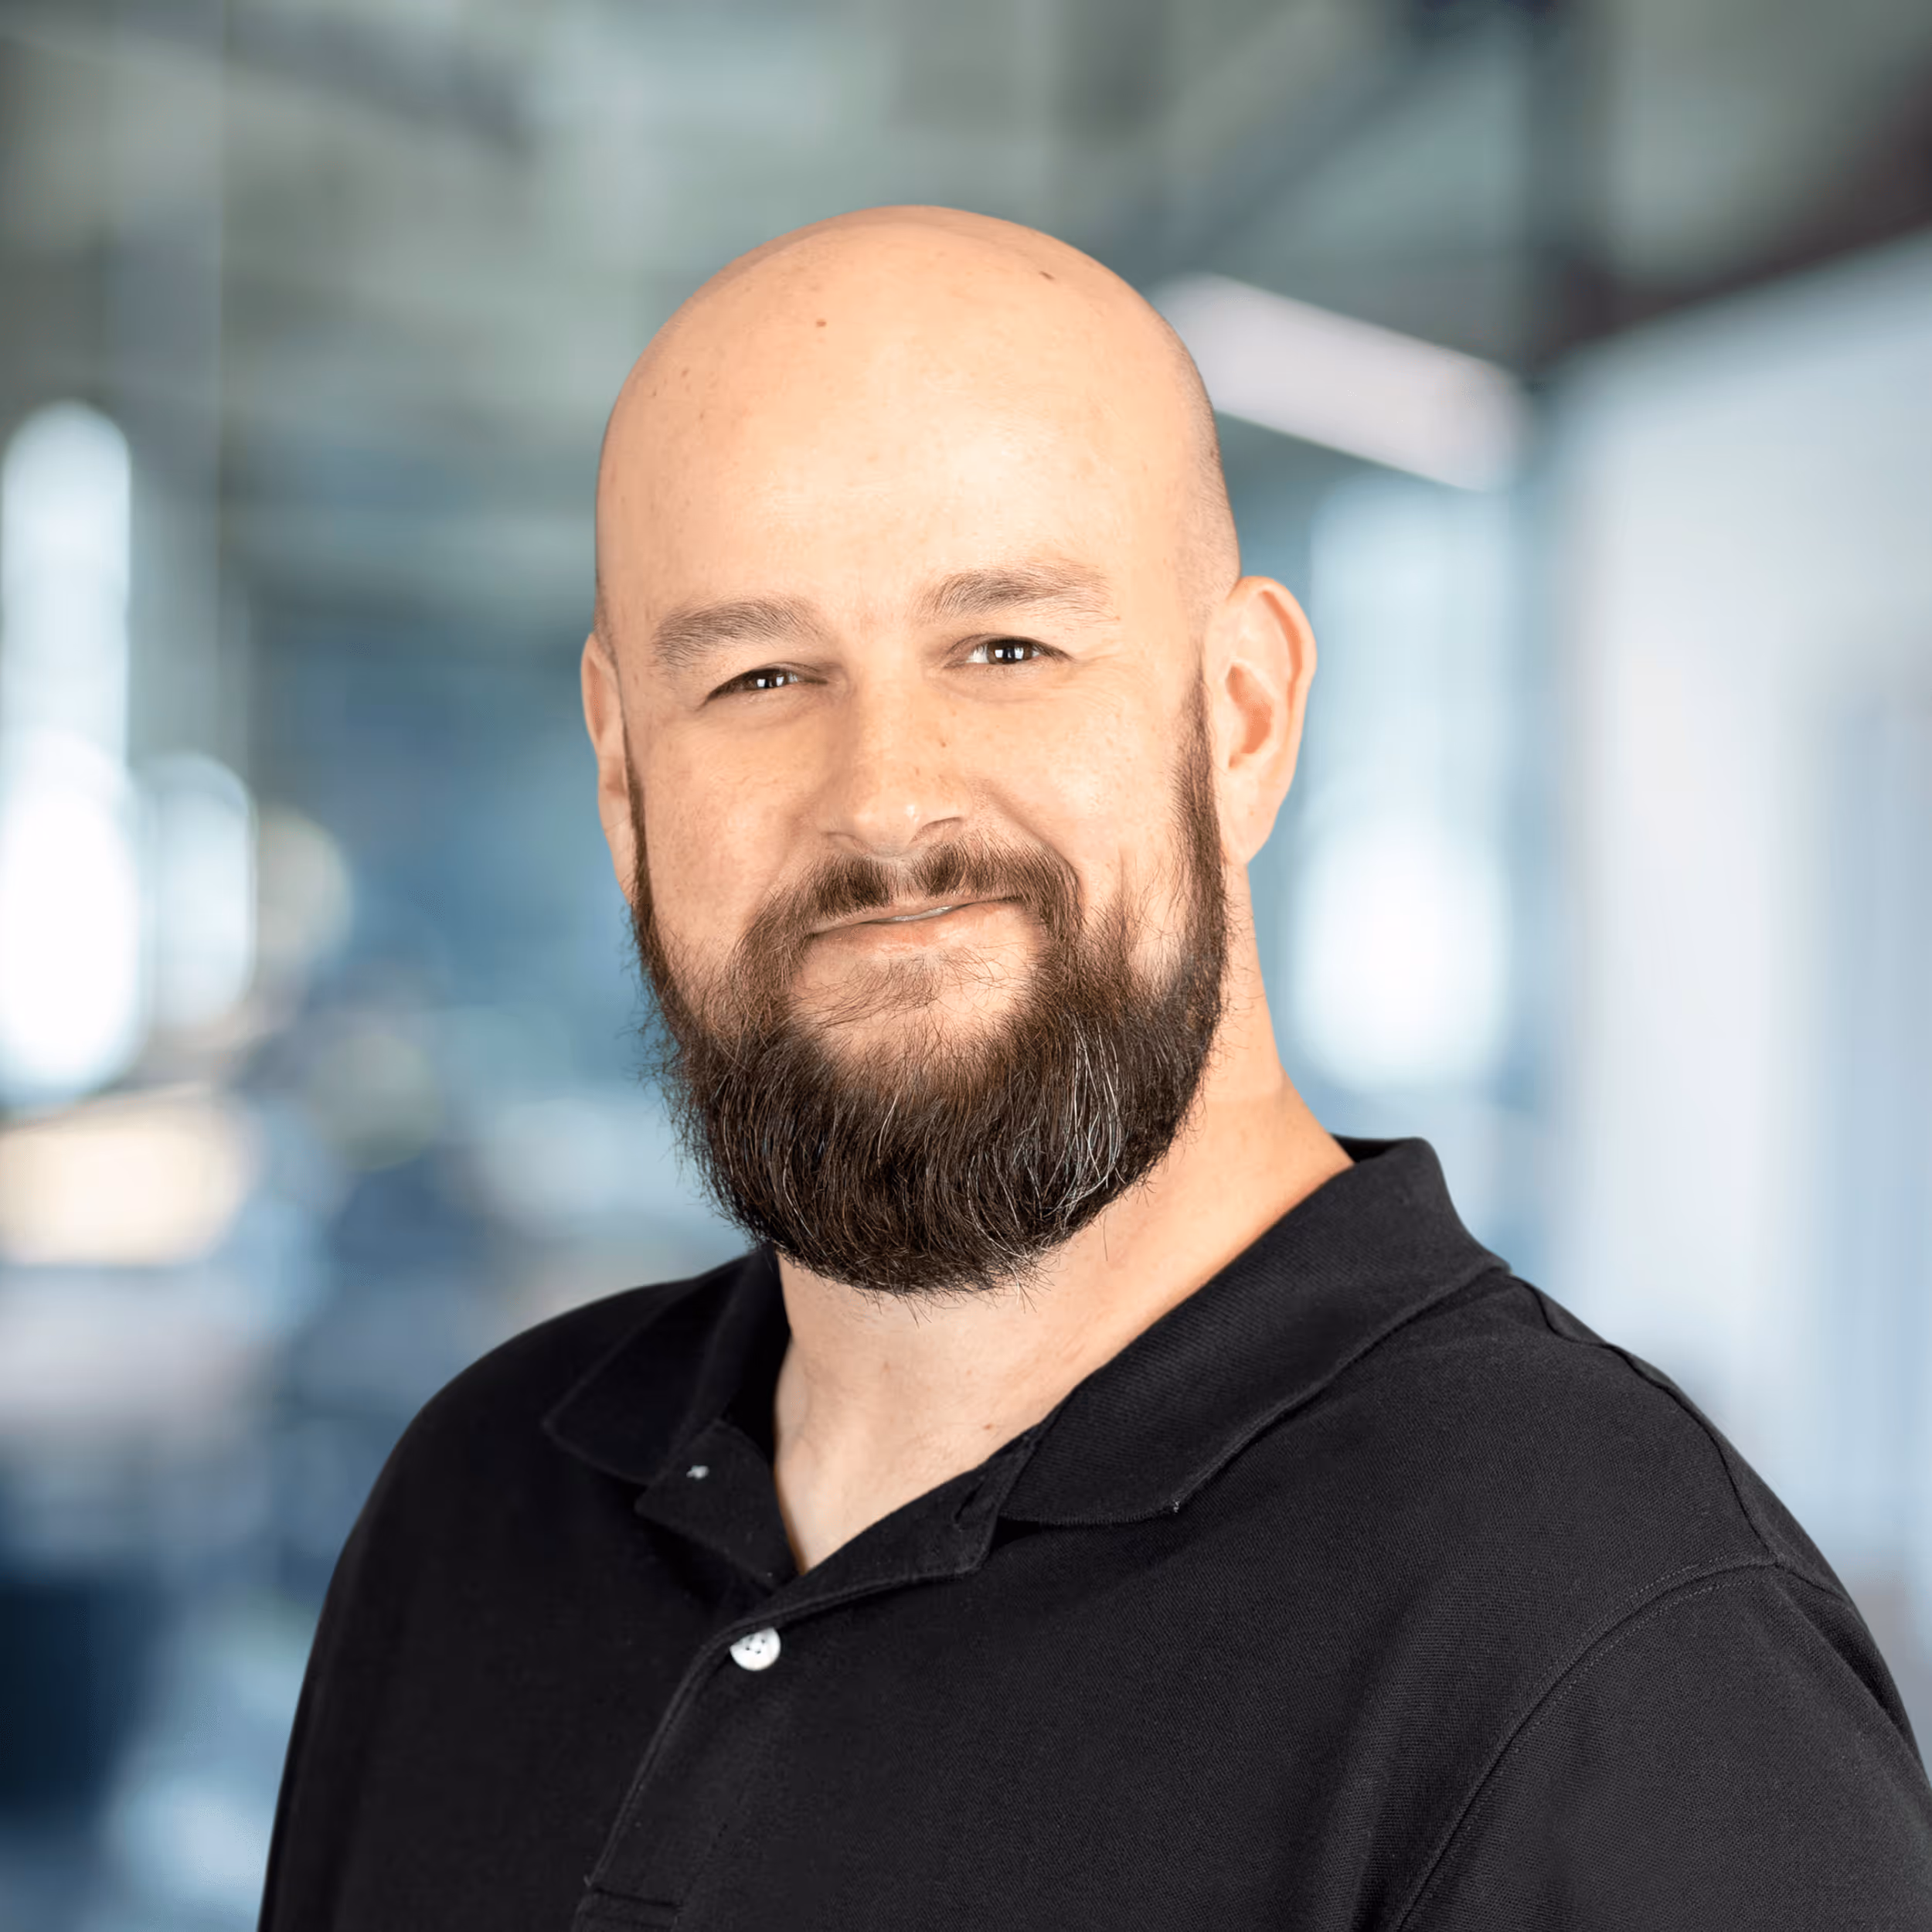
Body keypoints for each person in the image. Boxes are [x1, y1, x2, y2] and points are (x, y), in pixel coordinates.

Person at [259, 208, 1932, 1931]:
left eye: (1006, 646)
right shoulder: (479, 1505)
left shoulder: (1611, 1650)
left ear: (1243, 719)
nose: (886, 798)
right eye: (758, 674)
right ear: (624, 782)